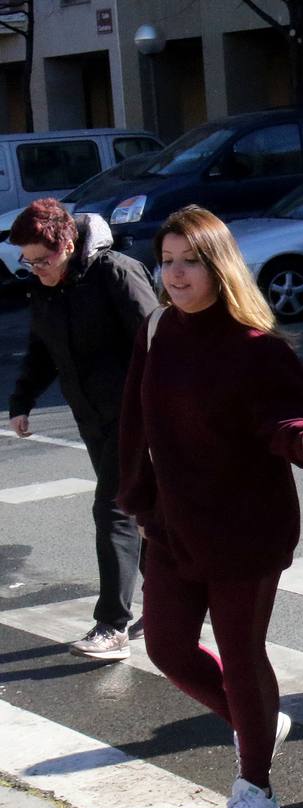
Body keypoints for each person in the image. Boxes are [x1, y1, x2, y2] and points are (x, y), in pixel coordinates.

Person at [116, 205, 303, 808]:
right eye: (166, 262)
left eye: (189, 261)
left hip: (246, 526)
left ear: (219, 266)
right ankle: (259, 723)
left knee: (241, 654)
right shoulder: (157, 330)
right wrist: (137, 505)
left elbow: (294, 413)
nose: (175, 275)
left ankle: (256, 787)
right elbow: (136, 424)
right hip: (172, 524)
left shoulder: (254, 344)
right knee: (166, 647)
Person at [7, 199, 155, 660]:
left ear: (68, 244)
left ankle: (111, 626)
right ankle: (183, 596)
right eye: (27, 262)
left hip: (137, 414)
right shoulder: (47, 288)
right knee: (142, 513)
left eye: (43, 260)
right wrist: (22, 400)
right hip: (92, 415)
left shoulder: (115, 273)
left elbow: (157, 340)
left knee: (112, 509)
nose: (36, 269)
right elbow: (42, 346)